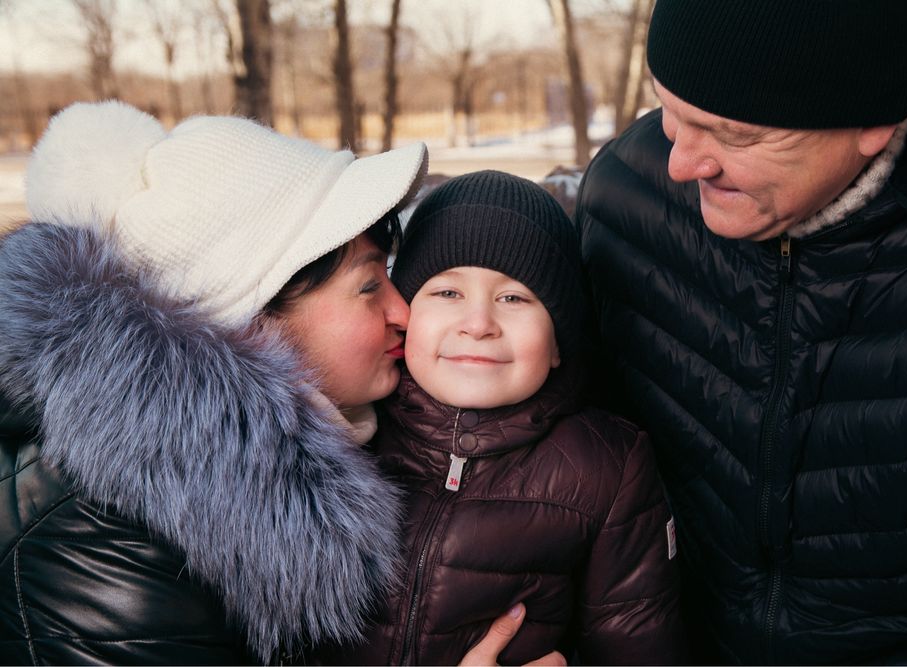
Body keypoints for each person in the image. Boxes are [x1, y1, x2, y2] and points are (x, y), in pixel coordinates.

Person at [0, 102, 557, 666]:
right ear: (254, 318)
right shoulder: (115, 548)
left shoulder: (219, 482)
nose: (403, 313)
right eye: (368, 287)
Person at [576, 0, 907, 664]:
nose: (683, 164)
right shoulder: (626, 197)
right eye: (670, 111)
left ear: (872, 123)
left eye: (733, 134)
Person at [316, 170, 686, 665]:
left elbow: (639, 647)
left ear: (558, 343)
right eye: (447, 293)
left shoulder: (607, 468)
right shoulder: (343, 433)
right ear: (406, 316)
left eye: (513, 298)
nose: (478, 324)